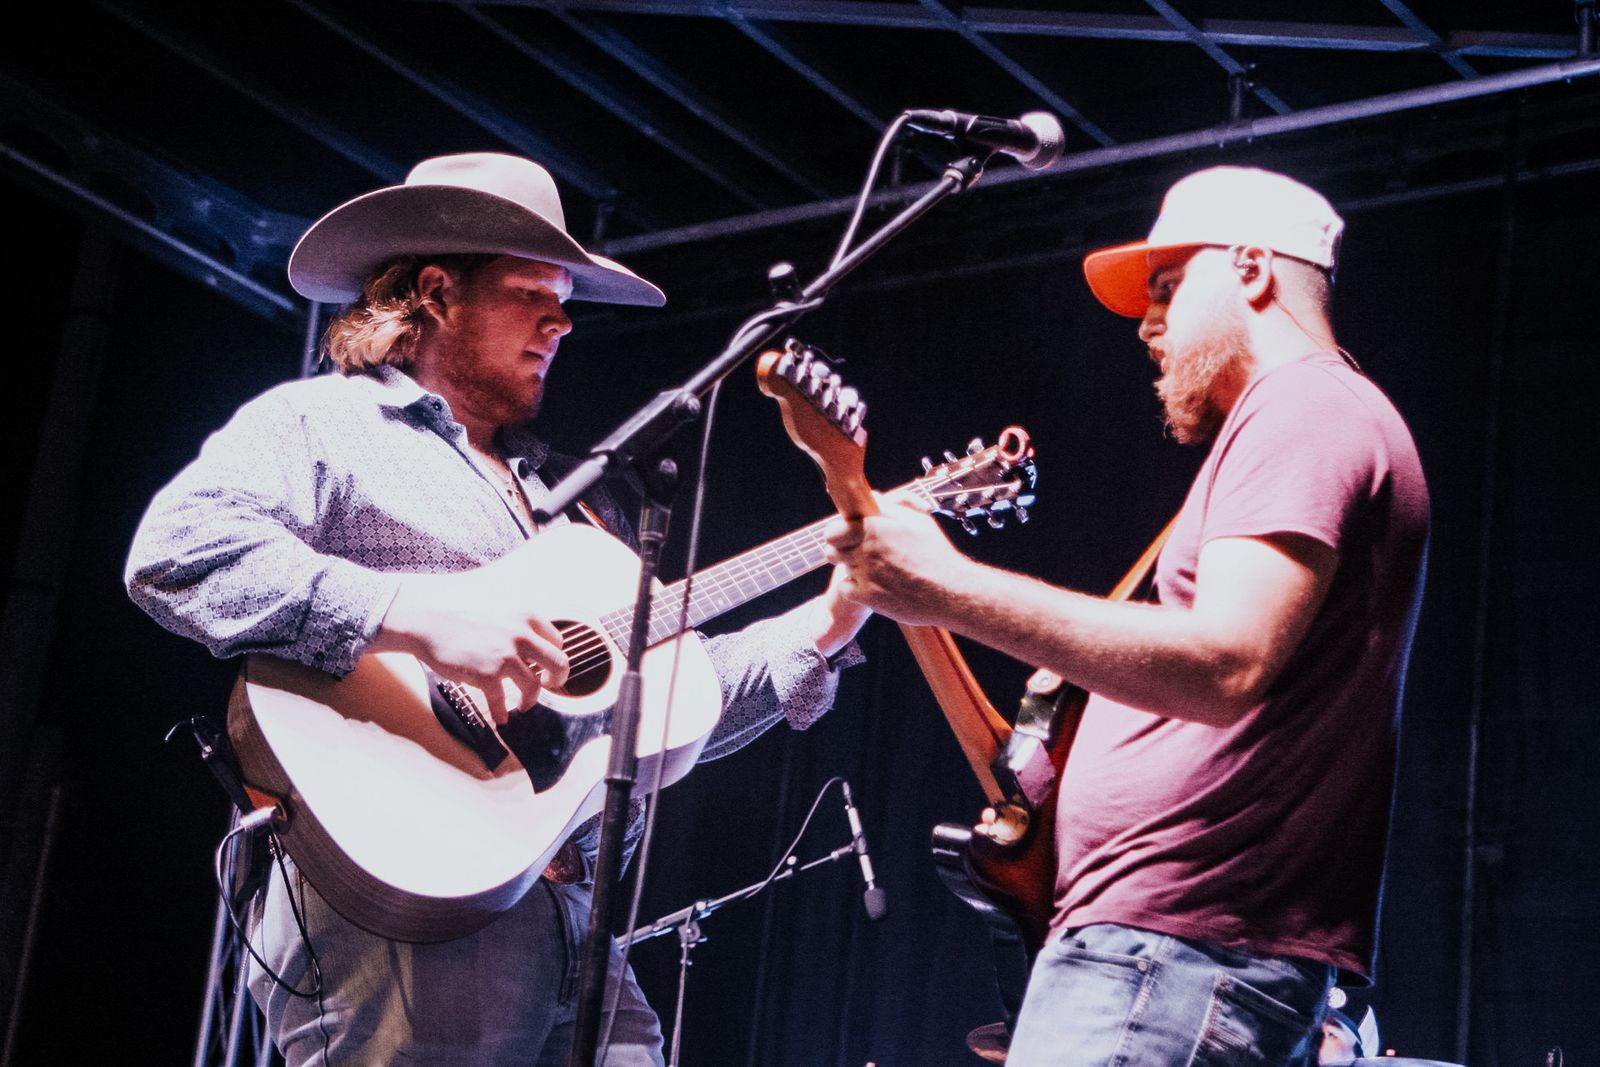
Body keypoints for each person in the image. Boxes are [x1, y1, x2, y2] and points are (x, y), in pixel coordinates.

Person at [125, 152, 870, 1065]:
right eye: (532, 293)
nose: (562, 319)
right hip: (400, 905)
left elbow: (665, 711)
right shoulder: (325, 423)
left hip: (573, 912)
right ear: (437, 292)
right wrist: (415, 616)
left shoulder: (568, 500)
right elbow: (178, 553)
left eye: (564, 297)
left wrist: (831, 620)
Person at [824, 166, 1429, 1066]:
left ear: (1253, 268)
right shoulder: (1306, 417)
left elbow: (1225, 661)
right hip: (1163, 956)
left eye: (1169, 289)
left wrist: (947, 586)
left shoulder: (1305, 407)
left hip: (1174, 958)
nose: (1147, 325)